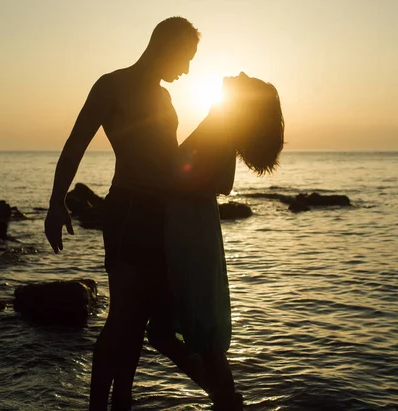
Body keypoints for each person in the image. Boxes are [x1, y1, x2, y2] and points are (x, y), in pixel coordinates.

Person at [44, 17, 207, 411]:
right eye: (184, 58)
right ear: (164, 45)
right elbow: (75, 143)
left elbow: (169, 159)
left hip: (161, 214)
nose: (186, 70)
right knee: (123, 318)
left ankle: (123, 403)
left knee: (139, 320)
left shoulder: (164, 99)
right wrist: (55, 203)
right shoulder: (112, 85)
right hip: (130, 208)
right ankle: (98, 405)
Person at [164, 72, 285, 411]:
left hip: (190, 228)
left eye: (246, 78)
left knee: (196, 333)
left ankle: (226, 401)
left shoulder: (221, 122)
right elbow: (223, 180)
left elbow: (218, 181)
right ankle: (225, 400)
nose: (239, 73)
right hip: (193, 224)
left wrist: (165, 180)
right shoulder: (220, 119)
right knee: (183, 332)